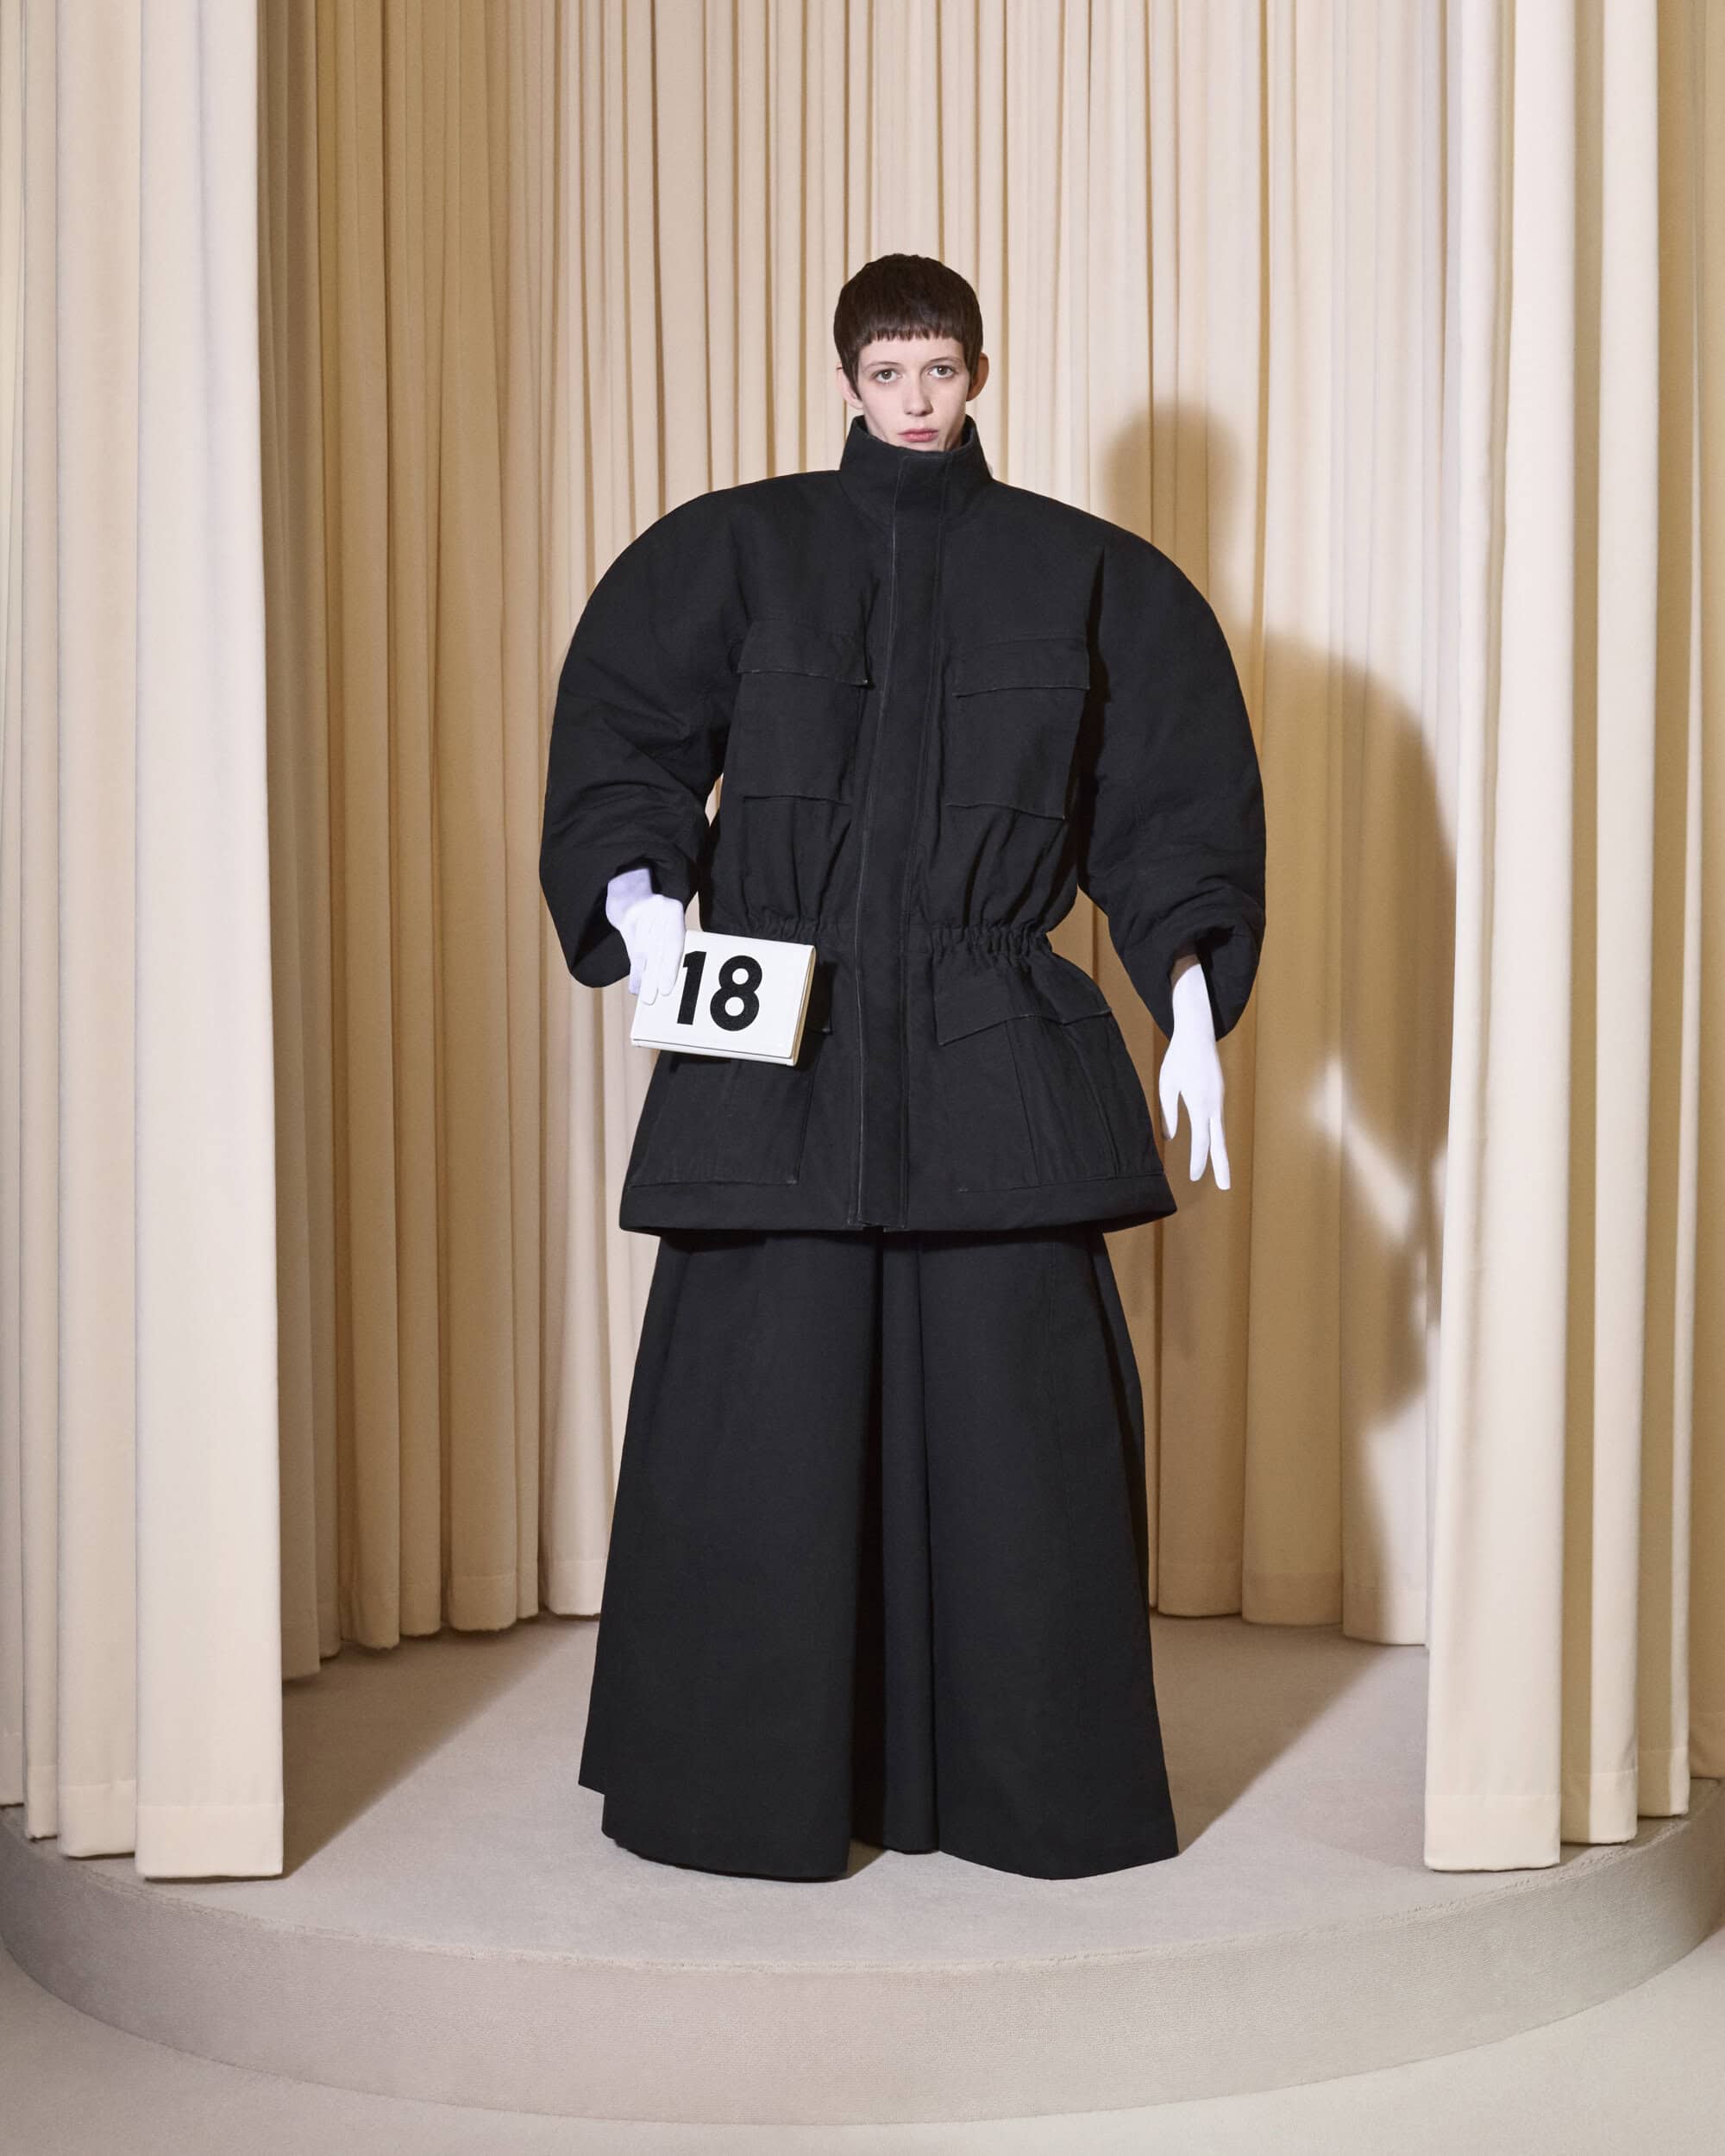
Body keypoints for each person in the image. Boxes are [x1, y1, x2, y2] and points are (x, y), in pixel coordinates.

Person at [540, 253, 1266, 1881]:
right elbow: (624, 741)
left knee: (1018, 1442)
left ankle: (1019, 1790)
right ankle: (743, 1785)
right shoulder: (733, 549)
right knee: (759, 1427)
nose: (916, 400)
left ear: (979, 375)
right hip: (773, 1048)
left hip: (991, 1049)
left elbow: (1170, 808)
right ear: (847, 381)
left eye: (941, 370)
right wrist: (645, 909)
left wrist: (1191, 1001)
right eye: (888, 373)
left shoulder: (1095, 577)